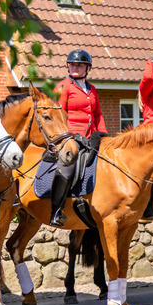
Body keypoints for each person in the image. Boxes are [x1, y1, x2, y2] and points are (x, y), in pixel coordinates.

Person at [49, 49, 107, 226]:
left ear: (87, 68)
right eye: (72, 64)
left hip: (90, 136)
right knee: (68, 163)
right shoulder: (63, 87)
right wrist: (70, 136)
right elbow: (59, 116)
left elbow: (97, 115)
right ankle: (56, 210)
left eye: (79, 65)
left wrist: (104, 135)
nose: (74, 67)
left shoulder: (92, 89)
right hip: (70, 136)